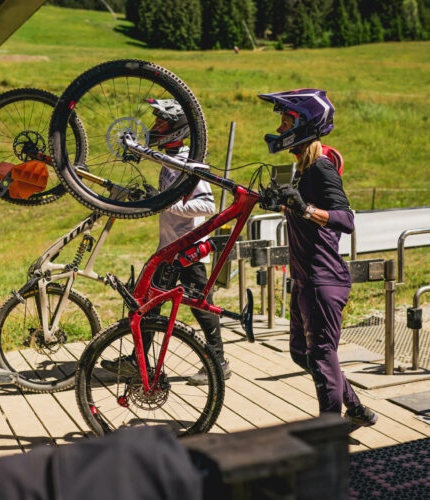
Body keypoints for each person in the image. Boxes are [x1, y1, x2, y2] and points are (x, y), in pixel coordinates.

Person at [259, 89, 378, 431]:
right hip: (304, 280)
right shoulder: (301, 169)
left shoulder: (322, 169)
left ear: (304, 126)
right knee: (302, 352)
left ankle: (328, 435)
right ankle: (354, 407)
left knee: (323, 356)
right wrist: (281, 203)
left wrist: (305, 209)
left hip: (324, 280)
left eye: (286, 121)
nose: (280, 128)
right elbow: (298, 208)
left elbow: (346, 220)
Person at [102, 99, 230, 385]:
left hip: (190, 251)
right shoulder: (169, 157)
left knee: (201, 306)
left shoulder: (188, 161)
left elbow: (207, 205)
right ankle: (139, 360)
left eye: (160, 123)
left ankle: (219, 362)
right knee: (149, 302)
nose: (154, 128)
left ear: (177, 129)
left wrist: (165, 204)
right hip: (169, 249)